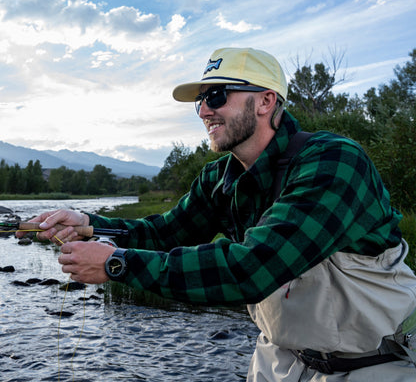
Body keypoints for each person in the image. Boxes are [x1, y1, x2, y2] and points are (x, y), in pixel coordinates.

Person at [18, 47, 416, 381]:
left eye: (217, 96)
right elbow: (163, 233)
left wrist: (116, 265)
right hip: (280, 360)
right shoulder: (219, 178)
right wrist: (89, 226)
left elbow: (253, 269)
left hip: (374, 362)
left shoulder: (334, 162)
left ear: (266, 101)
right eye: (201, 101)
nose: (205, 112)